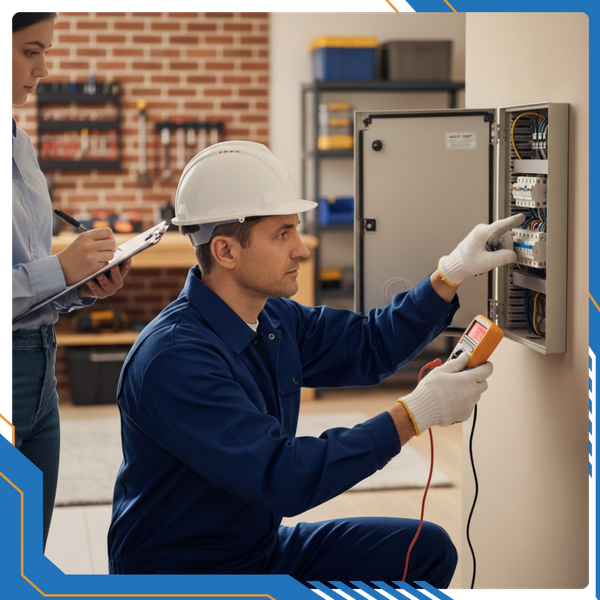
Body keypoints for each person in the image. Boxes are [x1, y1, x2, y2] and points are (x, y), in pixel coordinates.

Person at [108, 140, 523, 585]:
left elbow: (368, 345)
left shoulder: (269, 316)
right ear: (226, 251)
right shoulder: (174, 360)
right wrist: (413, 414)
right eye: (282, 234)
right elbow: (281, 476)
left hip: (256, 551)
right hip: (184, 578)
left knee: (423, 552)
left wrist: (449, 274)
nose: (302, 249)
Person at [9, 9, 131, 551]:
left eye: (46, 53)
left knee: (26, 552)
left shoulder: (22, 145)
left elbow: (25, 270)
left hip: (40, 370)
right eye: (30, 51)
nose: (43, 68)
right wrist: (60, 267)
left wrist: (79, 285)